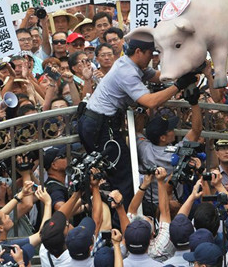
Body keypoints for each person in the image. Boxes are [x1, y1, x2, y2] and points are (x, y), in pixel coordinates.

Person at [78, 34, 197, 207]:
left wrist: (183, 72)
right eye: (150, 53)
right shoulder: (127, 71)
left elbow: (158, 76)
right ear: (139, 52)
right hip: (100, 126)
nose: (152, 57)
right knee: (124, 175)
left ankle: (115, 215)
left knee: (113, 172)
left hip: (100, 123)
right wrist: (178, 86)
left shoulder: (133, 64)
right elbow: (150, 101)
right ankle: (126, 220)